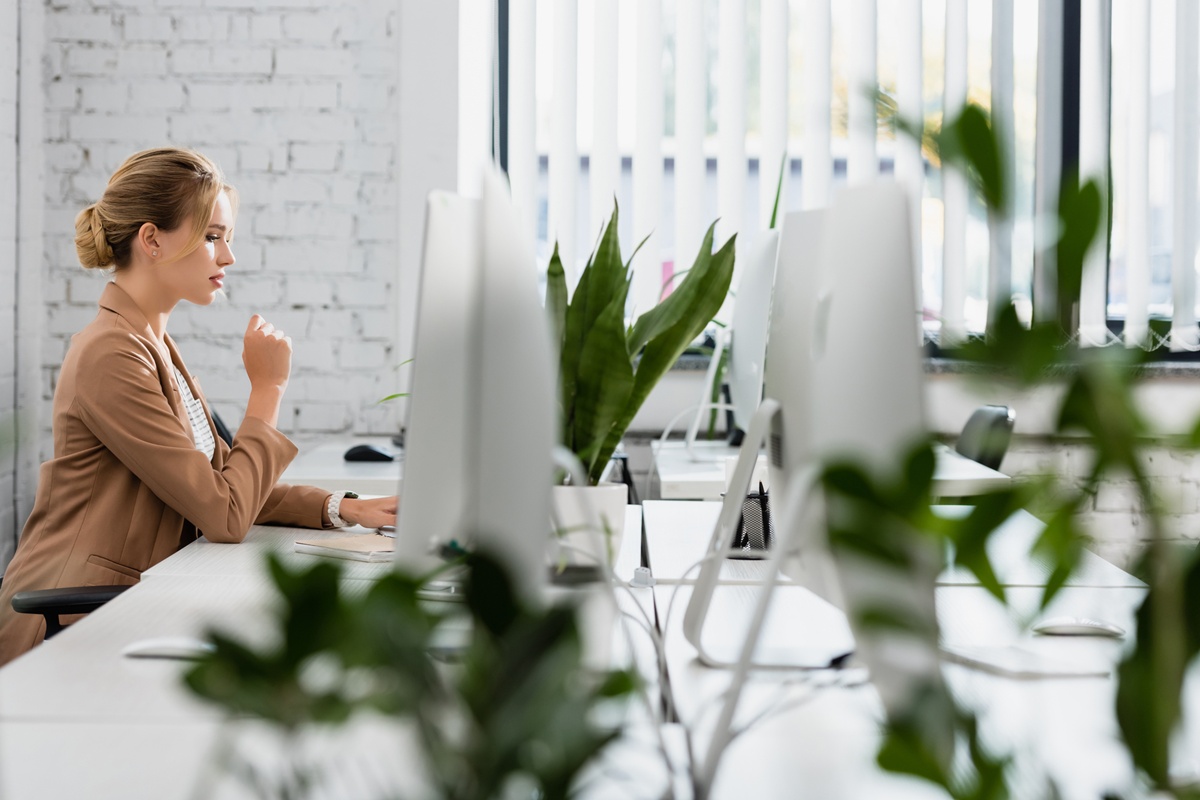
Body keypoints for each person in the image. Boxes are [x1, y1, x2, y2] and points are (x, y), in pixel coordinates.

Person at [0, 147, 397, 665]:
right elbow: (225, 514)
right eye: (212, 238)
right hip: (70, 623)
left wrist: (341, 508)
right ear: (152, 240)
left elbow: (219, 483)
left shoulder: (153, 345)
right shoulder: (111, 354)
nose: (228, 258)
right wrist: (268, 389)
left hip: (122, 607)